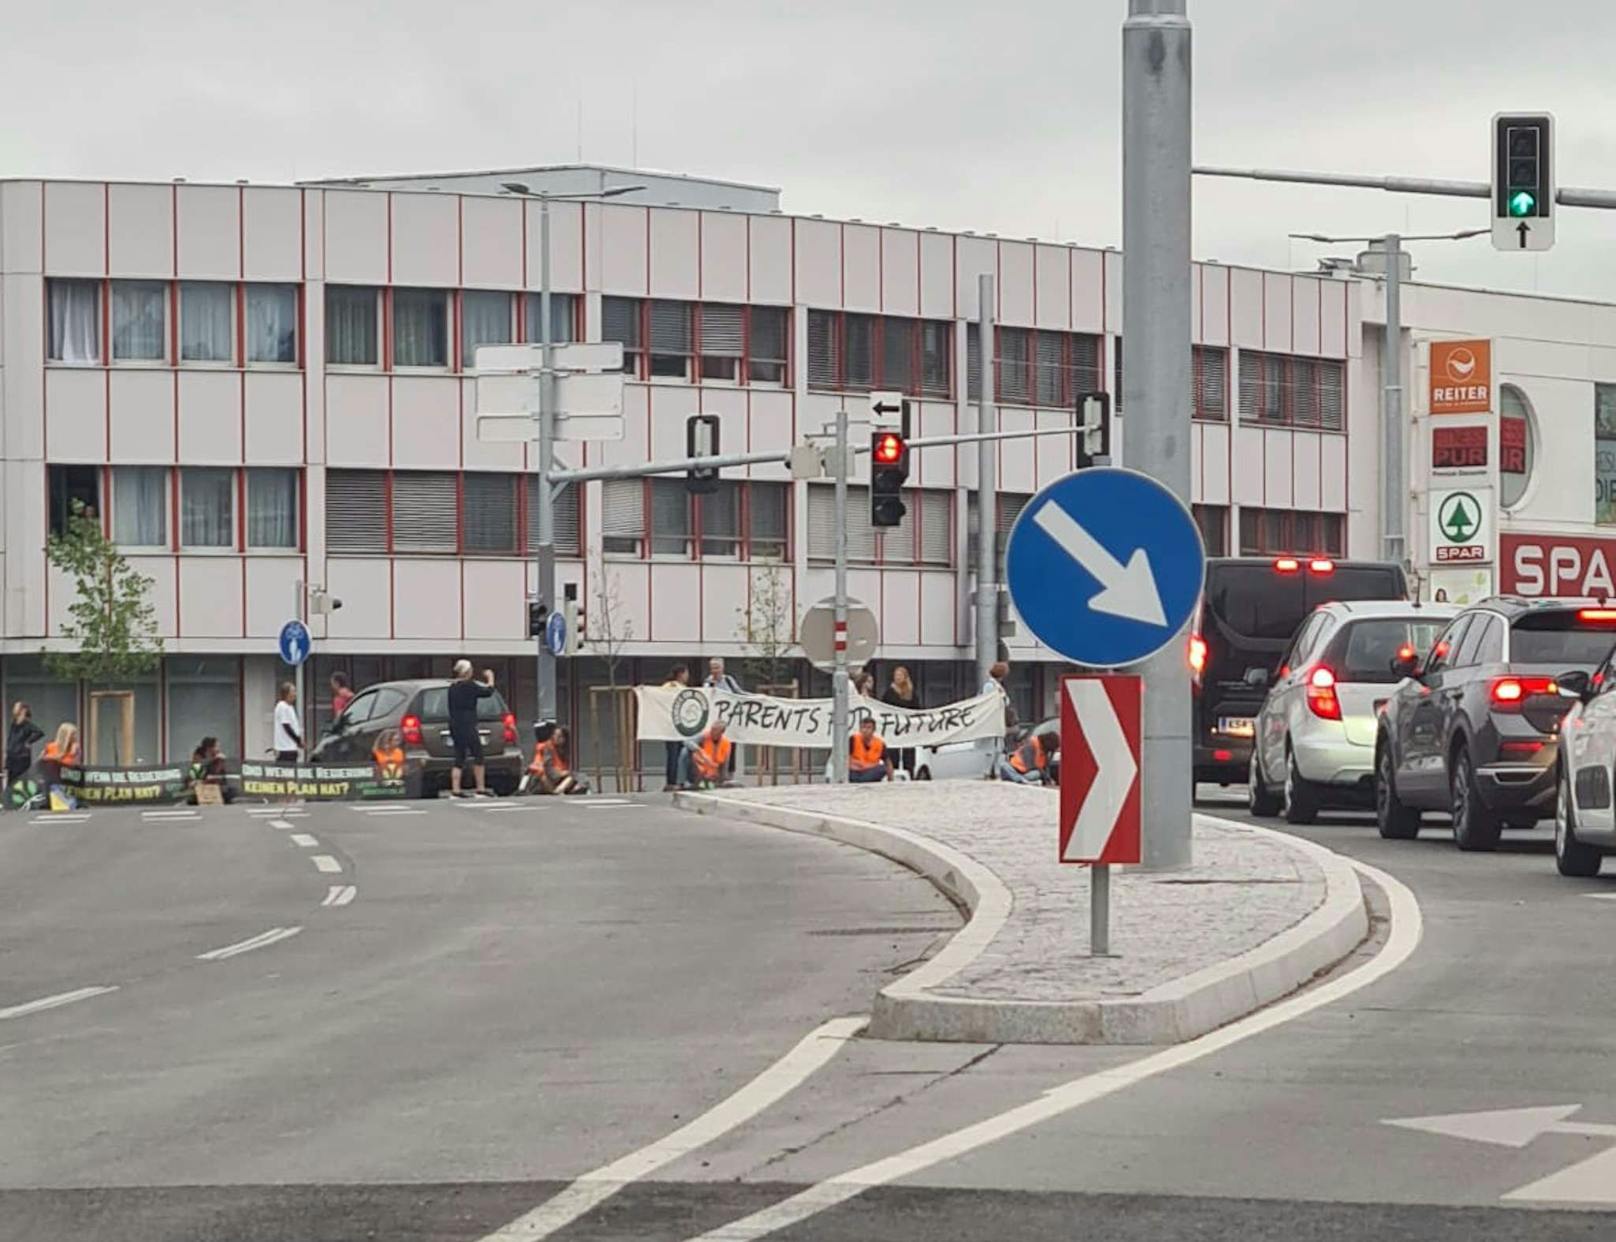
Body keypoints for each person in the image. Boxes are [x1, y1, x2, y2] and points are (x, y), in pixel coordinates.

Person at [447, 659, 496, 798]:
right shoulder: (469, 685)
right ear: (467, 672)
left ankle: (455, 790)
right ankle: (480, 788)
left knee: (459, 756)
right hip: (468, 724)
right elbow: (488, 692)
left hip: (454, 724)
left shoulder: (452, 687)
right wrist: (490, 678)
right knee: (478, 754)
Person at [881, 665, 922, 776]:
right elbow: (883, 707)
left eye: (900, 675)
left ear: (905, 677)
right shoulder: (889, 692)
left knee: (908, 751)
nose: (897, 677)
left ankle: (909, 772)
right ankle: (893, 773)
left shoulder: (911, 692)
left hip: (907, 728)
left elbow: (917, 708)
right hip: (894, 727)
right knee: (893, 751)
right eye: (896, 675)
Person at [704, 658, 741, 778]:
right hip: (714, 721)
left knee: (730, 746)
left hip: (729, 720)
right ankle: (713, 773)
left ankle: (730, 774)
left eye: (717, 667)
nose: (715, 670)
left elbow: (739, 693)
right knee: (714, 746)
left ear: (722, 668)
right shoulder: (707, 682)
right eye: (712, 667)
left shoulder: (729, 680)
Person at [529, 725, 591, 795]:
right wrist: (561, 773)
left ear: (564, 739)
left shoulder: (566, 750)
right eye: (555, 735)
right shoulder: (548, 748)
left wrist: (565, 773)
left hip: (560, 778)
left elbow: (568, 769)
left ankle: (561, 790)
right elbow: (548, 769)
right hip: (547, 778)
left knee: (575, 777)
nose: (556, 738)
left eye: (559, 736)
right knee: (544, 777)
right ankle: (557, 791)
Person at [677, 720, 732, 790]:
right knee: (684, 751)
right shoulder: (705, 736)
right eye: (712, 729)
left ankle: (704, 785)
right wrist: (700, 752)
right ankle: (682, 783)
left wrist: (722, 780)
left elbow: (725, 764)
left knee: (713, 784)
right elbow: (687, 741)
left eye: (715, 730)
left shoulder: (726, 743)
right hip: (699, 772)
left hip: (713, 776)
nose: (712, 731)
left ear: (722, 732)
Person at [661, 664, 690, 791]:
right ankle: (674, 780)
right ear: (681, 674)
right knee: (674, 754)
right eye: (686, 673)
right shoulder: (672, 687)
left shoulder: (669, 686)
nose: (687, 676)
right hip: (675, 726)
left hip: (674, 726)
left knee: (678, 754)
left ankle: (676, 780)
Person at [6, 702, 44, 795]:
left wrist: (28, 742)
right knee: (11, 779)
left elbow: (39, 732)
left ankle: (21, 796)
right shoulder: (14, 724)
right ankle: (9, 797)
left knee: (20, 778)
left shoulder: (27, 724)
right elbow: (11, 738)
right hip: (12, 755)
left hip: (21, 756)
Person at [40, 722, 80, 808]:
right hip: (54, 780)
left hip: (69, 781)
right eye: (73, 734)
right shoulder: (51, 746)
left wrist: (74, 751)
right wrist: (55, 757)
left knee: (70, 805)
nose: (75, 737)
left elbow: (74, 763)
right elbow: (42, 759)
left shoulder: (74, 747)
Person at [190, 736, 236, 804]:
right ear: (209, 748)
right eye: (217, 746)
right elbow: (196, 776)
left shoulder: (220, 759)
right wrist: (196, 782)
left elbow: (217, 775)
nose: (219, 749)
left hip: (219, 791)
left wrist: (218, 760)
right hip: (204, 792)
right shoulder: (199, 757)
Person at [848, 718, 892, 784]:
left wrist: (890, 781)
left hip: (870, 772)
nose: (865, 730)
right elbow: (846, 759)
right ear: (860, 729)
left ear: (874, 730)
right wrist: (864, 765)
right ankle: (863, 782)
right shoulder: (853, 739)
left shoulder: (880, 744)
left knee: (882, 768)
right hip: (854, 772)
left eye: (868, 728)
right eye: (863, 727)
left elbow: (888, 763)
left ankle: (863, 782)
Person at [273, 682, 302, 764]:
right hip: (284, 748)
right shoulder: (282, 706)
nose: (295, 694)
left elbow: (293, 726)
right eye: (293, 691)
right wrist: (298, 740)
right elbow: (287, 726)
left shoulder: (290, 707)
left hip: (291, 747)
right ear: (286, 693)